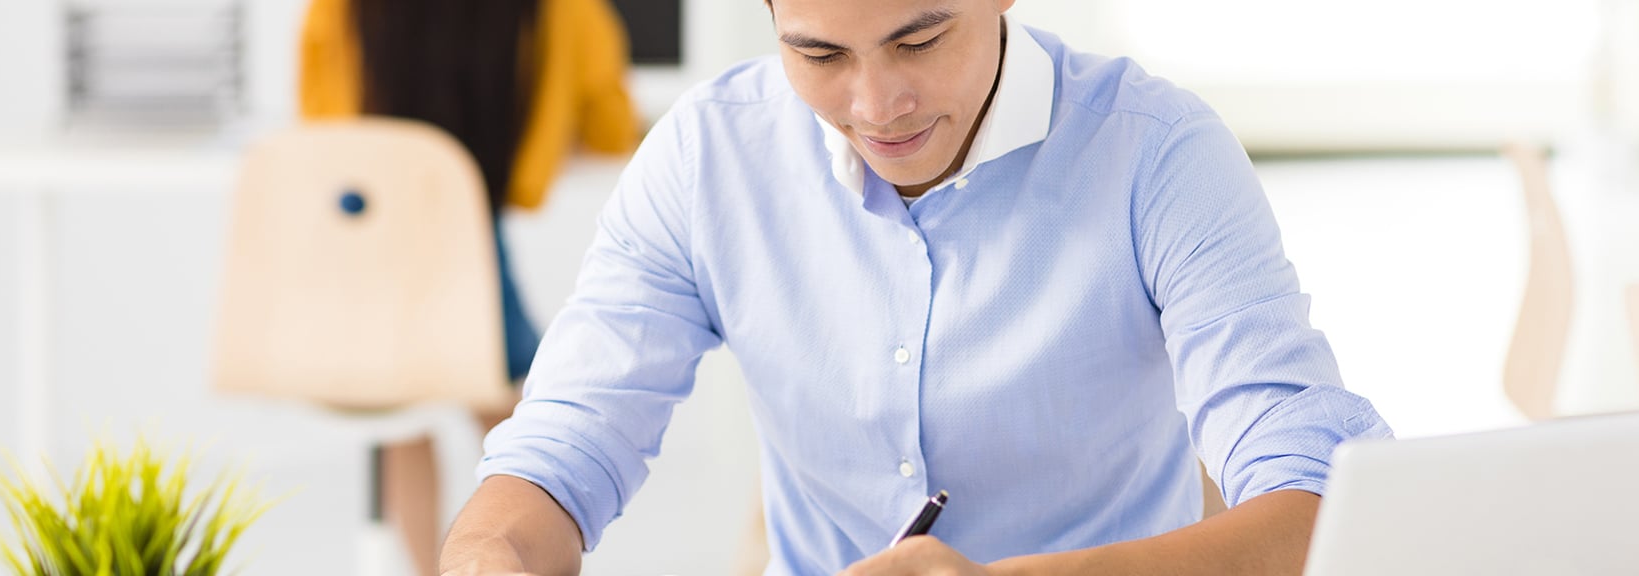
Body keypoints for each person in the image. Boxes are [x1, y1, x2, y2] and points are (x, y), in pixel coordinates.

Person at [440, 0, 1394, 574]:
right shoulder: (708, 156)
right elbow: (567, 444)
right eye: (818, 55)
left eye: (920, 38)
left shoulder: (1155, 152)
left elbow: (1316, 502)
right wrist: (492, 549)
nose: (875, 105)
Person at [296, 0, 638, 574]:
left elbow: (321, 123)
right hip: (469, 236)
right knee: (521, 412)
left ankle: (437, 567)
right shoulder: (568, 10)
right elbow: (609, 127)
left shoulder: (337, 8)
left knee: (403, 409)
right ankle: (518, 549)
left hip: (372, 243)